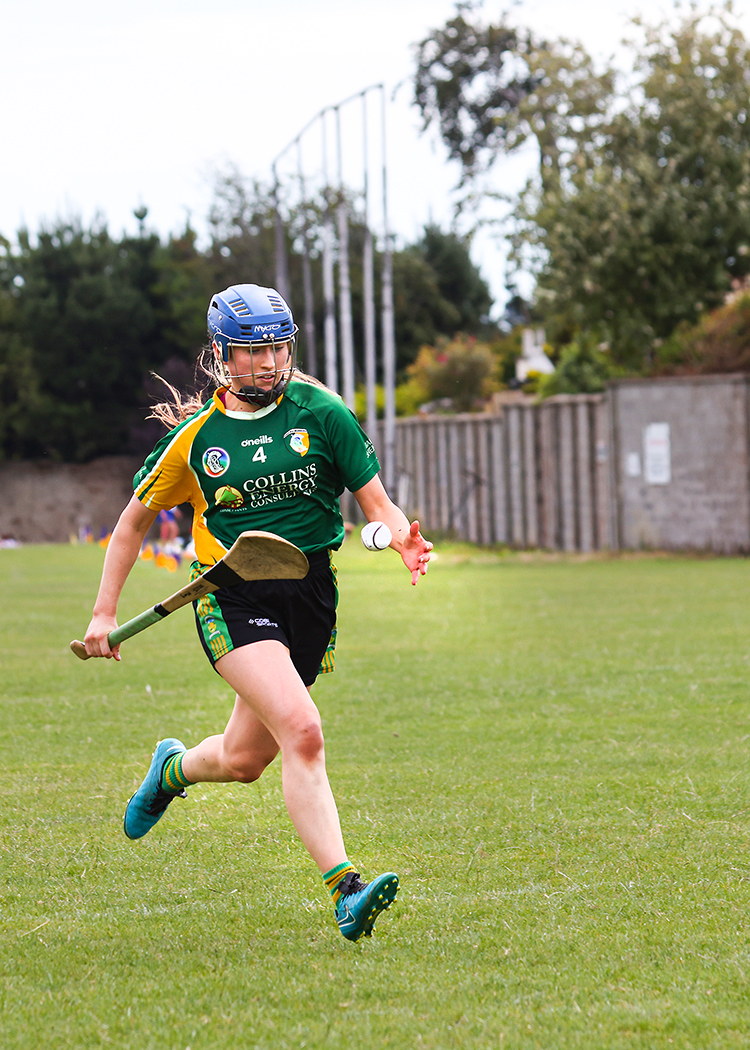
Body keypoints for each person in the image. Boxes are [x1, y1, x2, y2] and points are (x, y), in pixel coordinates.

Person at [83, 283, 432, 942]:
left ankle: (173, 769)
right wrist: (104, 614)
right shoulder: (196, 441)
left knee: (244, 760)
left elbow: (376, 503)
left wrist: (401, 538)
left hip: (309, 596)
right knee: (303, 730)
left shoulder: (321, 412)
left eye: (276, 347)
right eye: (250, 351)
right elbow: (131, 526)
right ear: (221, 354)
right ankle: (347, 890)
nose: (267, 363)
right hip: (230, 596)